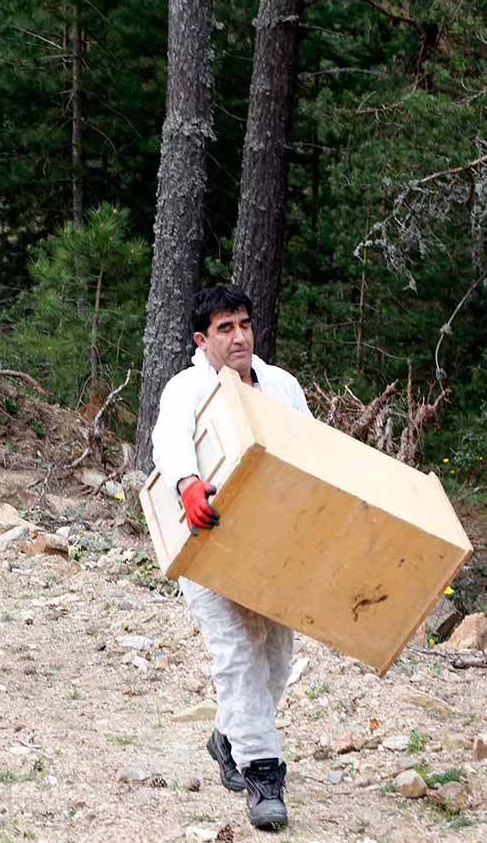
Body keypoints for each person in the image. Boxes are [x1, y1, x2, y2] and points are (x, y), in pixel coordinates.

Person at [151, 285, 311, 829]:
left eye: (244, 323)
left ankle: (228, 735)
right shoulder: (187, 387)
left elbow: (308, 450)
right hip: (207, 542)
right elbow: (167, 441)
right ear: (203, 338)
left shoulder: (283, 385)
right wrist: (188, 484)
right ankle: (265, 778)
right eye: (225, 327)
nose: (239, 335)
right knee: (239, 655)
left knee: (276, 662)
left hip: (274, 547)